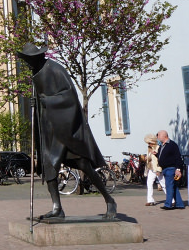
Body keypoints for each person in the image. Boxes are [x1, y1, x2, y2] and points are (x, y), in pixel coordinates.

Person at [17, 43, 116, 220]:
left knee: (83, 164)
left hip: (65, 129)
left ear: (37, 57)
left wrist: (46, 101)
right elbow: (43, 100)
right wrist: (37, 104)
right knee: (49, 167)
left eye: (29, 60)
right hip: (49, 130)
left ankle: (109, 200)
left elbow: (69, 96)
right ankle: (57, 208)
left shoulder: (54, 69)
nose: (28, 64)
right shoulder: (35, 73)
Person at [157, 130, 186, 210]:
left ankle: (168, 204)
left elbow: (178, 157)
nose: (158, 137)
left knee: (169, 186)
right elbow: (163, 156)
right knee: (174, 187)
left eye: (159, 135)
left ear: (164, 136)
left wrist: (178, 169)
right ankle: (180, 204)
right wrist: (156, 154)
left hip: (171, 168)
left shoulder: (172, 145)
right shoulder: (162, 145)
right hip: (165, 169)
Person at [143, 133, 165, 206]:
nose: (149, 144)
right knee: (149, 183)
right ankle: (150, 200)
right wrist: (146, 158)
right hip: (151, 168)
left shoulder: (158, 148)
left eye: (150, 143)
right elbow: (150, 159)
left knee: (163, 184)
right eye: (148, 143)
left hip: (157, 168)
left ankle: (171, 199)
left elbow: (160, 159)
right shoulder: (149, 149)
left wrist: (159, 169)